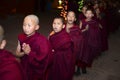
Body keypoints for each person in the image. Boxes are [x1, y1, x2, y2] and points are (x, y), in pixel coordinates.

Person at [15, 14, 51, 80]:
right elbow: (17, 53)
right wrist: (24, 52)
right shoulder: (21, 37)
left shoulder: (42, 41)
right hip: (24, 65)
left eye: (29, 25)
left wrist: (29, 53)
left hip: (35, 69)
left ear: (36, 27)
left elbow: (44, 60)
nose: (26, 28)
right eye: (24, 25)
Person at [65, 11, 86, 75]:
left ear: (75, 19)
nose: (70, 17)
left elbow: (79, 41)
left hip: (71, 52)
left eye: (73, 16)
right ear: (66, 17)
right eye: (69, 16)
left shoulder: (76, 29)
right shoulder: (61, 26)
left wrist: (70, 35)